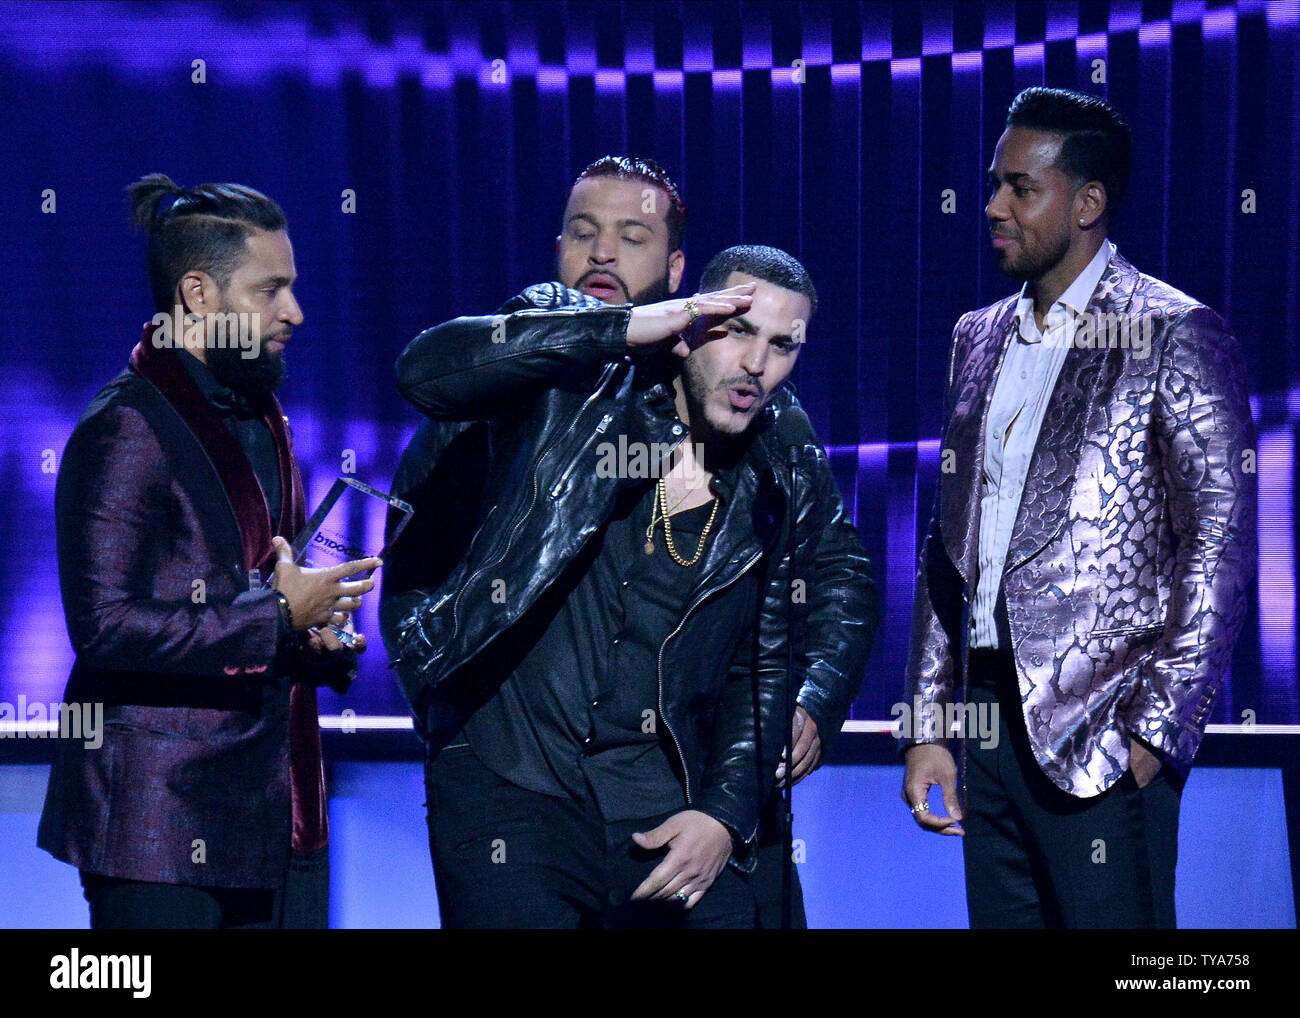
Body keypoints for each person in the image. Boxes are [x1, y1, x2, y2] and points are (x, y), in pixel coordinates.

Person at [380, 157, 877, 928]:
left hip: (670, 786)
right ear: (694, 310)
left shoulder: (776, 446)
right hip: (515, 772)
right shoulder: (547, 372)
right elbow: (426, 380)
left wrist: (734, 801)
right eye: (738, 329)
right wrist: (433, 684)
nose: (755, 360)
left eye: (781, 345)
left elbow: (794, 621)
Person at [901, 88, 1256, 928]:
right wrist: (925, 721)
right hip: (984, 726)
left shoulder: (1174, 330)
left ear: (1088, 203)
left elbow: (1222, 548)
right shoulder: (976, 336)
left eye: (1020, 188)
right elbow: (945, 544)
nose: (992, 207)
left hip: (1105, 732)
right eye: (994, 184)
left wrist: (1156, 732)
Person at [38, 174, 381, 929]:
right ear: (197, 295)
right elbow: (104, 626)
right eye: (271, 290)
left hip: (275, 808)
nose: (295, 312)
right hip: (158, 826)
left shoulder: (262, 414)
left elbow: (260, 589)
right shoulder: (128, 425)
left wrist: (316, 635)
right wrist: (276, 618)